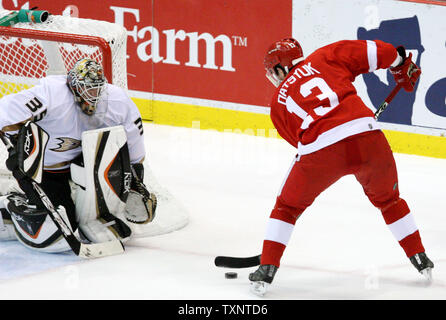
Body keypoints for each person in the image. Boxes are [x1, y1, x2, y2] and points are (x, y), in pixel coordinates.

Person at [248, 38, 433, 295]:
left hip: (321, 151)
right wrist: (400, 64)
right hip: (367, 136)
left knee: (287, 208)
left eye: (272, 72)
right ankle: (420, 257)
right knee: (390, 200)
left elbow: (301, 142)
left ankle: (267, 268)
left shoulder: (277, 104)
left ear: (279, 68)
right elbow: (383, 52)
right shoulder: (325, 56)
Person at [0, 58, 157, 253]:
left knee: (108, 146)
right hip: (45, 169)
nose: (93, 95)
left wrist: (135, 182)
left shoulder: (118, 102)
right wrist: (17, 150)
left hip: (84, 165)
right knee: (59, 235)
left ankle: (95, 216)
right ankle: (14, 200)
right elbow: (4, 113)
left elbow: (134, 153)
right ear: (73, 85)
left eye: (97, 89)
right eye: (87, 89)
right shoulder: (51, 95)